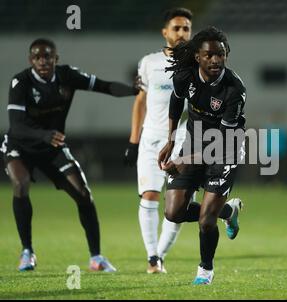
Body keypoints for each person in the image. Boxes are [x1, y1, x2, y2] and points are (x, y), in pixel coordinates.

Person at [2, 38, 139, 272]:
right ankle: (27, 253)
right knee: (21, 183)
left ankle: (96, 257)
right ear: (30, 60)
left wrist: (135, 91)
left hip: (52, 148)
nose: (43, 61)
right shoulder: (21, 82)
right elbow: (16, 127)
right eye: (37, 57)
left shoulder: (68, 76)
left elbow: (105, 87)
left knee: (84, 194)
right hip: (20, 146)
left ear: (56, 58)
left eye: (47, 56)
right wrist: (45, 135)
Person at [158, 26, 245, 285]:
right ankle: (228, 211)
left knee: (206, 221)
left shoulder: (234, 90)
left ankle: (205, 270)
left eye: (220, 54)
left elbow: (221, 143)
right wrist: (171, 141)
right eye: (209, 55)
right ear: (198, 57)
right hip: (192, 143)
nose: (215, 60)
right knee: (173, 212)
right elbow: (176, 101)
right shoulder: (185, 75)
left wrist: (183, 160)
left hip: (224, 150)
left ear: (226, 55)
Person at [123, 8, 193, 274]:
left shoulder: (197, 62)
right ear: (165, 32)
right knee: (150, 195)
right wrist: (133, 141)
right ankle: (152, 257)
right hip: (151, 140)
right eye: (176, 28)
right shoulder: (149, 62)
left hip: (184, 143)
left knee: (177, 205)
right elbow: (140, 102)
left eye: (186, 28)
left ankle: (159, 255)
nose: (181, 33)